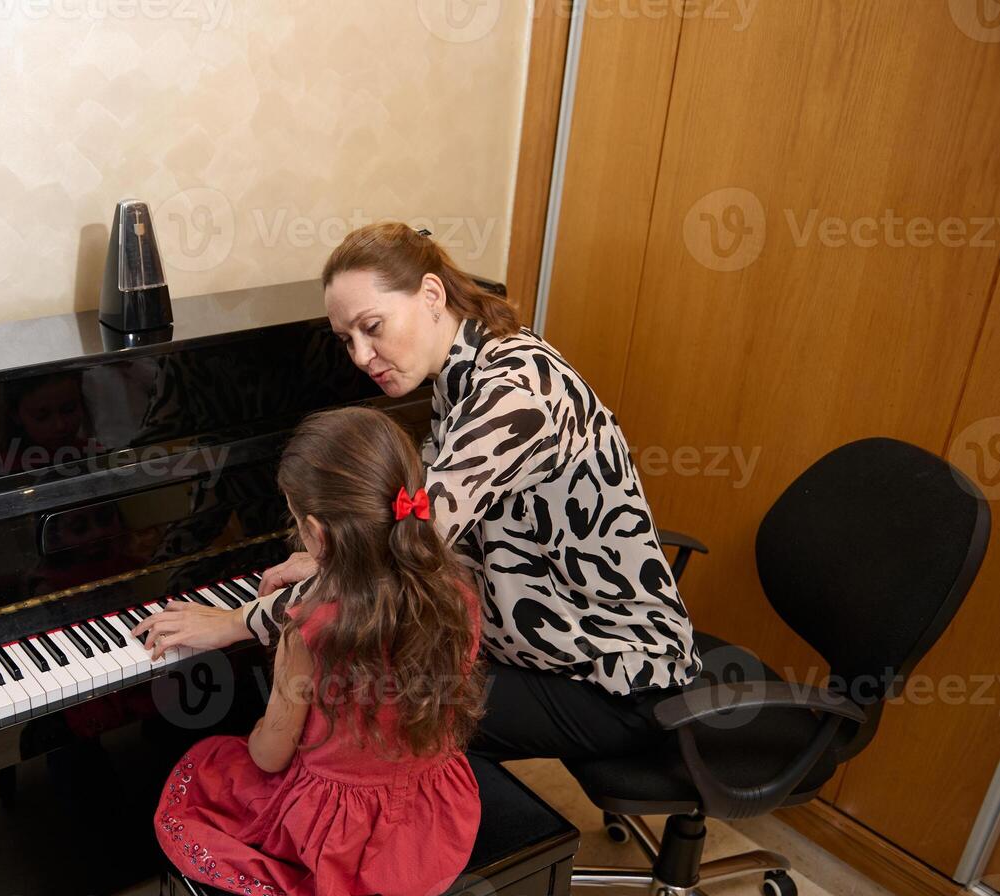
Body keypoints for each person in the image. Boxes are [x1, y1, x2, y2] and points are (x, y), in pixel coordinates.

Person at [135, 221, 701, 762]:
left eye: (372, 327)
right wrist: (321, 557)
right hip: (540, 651)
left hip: (613, 677)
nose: (359, 356)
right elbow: (416, 519)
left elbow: (400, 550)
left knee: (380, 708)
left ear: (431, 294)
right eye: (345, 339)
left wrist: (240, 621)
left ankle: (427, 852)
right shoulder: (465, 374)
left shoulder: (514, 394)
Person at [153, 407, 484, 896]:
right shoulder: (457, 594)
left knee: (208, 764)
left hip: (338, 840)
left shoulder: (309, 628)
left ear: (314, 532)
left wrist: (260, 727)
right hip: (431, 821)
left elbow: (269, 757)